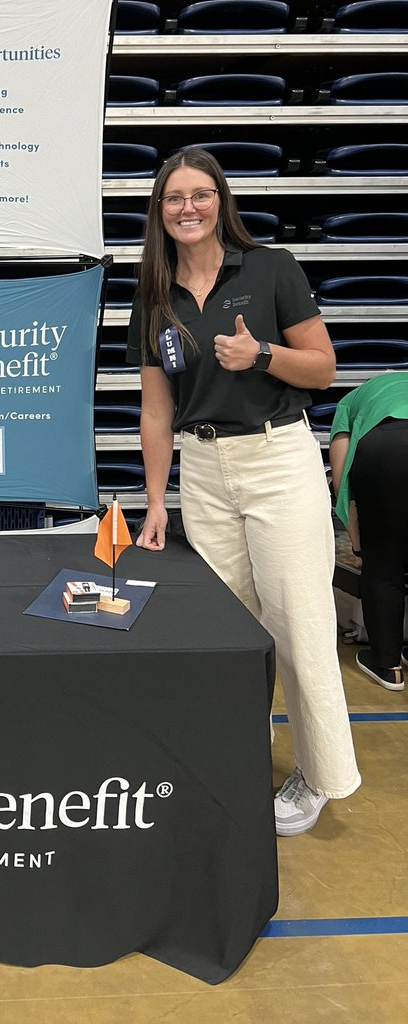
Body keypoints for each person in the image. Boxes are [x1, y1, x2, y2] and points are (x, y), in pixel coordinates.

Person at [126, 145, 360, 837]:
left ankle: (319, 777)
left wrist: (259, 354)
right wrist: (156, 501)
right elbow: (155, 410)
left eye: (200, 194)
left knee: (300, 621)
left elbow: (321, 369)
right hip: (202, 471)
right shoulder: (154, 293)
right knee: (230, 630)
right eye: (174, 198)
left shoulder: (271, 269)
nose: (188, 207)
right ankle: (237, 747)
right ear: (160, 212)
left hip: (276, 459)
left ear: (221, 202)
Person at [328, 372, 408, 690]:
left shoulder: (350, 401)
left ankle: (387, 666)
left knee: (384, 565)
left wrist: (361, 549)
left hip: (386, 451)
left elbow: (342, 481)